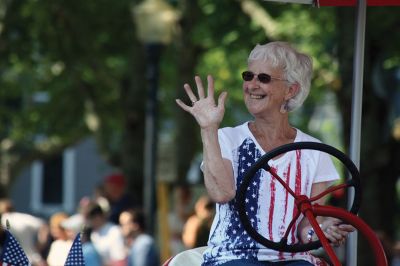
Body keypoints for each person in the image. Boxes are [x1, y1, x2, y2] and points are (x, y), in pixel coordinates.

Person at [176, 41, 355, 265]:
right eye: (248, 76)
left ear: (291, 90)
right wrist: (208, 128)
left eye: (264, 78)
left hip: (293, 258)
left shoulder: (314, 152)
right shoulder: (227, 138)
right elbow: (221, 194)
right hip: (234, 255)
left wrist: (322, 230)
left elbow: (306, 228)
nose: (252, 85)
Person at [84, 201, 127, 266]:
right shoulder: (92, 233)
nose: (87, 223)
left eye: (88, 219)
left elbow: (120, 261)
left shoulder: (114, 231)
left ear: (97, 217)